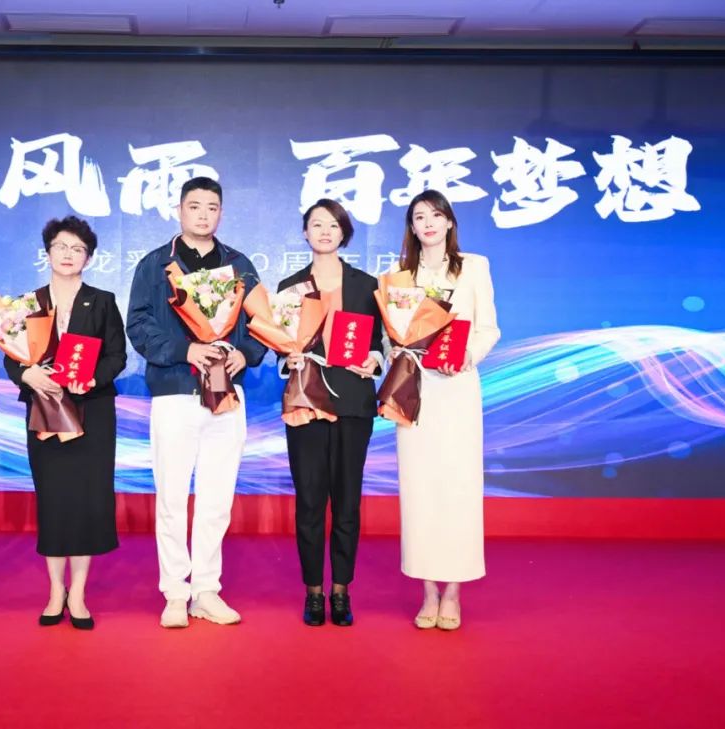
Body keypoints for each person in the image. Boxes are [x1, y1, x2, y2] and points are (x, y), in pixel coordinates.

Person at [126, 177, 267, 628]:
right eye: (195, 206)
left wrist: (246, 353)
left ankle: (206, 590)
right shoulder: (154, 264)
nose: (203, 214)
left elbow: (263, 322)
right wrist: (184, 350)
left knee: (216, 498)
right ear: (179, 210)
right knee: (171, 496)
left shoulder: (239, 265)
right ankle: (175, 592)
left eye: (211, 207)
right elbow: (138, 325)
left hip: (227, 395)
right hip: (175, 392)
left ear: (221, 213)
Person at [3, 216, 126, 631]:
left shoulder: (102, 301)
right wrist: (27, 375)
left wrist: (91, 378)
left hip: (92, 412)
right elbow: (11, 355)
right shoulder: (28, 303)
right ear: (48, 252)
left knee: (87, 500)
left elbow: (117, 356)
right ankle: (56, 590)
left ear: (88, 258)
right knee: (54, 500)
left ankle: (79, 594)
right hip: (45, 411)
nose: (68, 254)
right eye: (60, 247)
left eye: (77, 249)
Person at [393, 190, 500, 631]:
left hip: (457, 388)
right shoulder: (399, 276)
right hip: (415, 390)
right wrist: (396, 350)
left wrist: (467, 356)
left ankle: (453, 589)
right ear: (412, 227)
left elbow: (489, 328)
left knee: (458, 487)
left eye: (436, 215)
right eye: (420, 217)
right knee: (419, 488)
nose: (429, 223)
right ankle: (428, 590)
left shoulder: (474, 267)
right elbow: (391, 335)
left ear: (450, 222)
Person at [280, 199, 382, 627]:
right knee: (309, 500)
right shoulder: (291, 285)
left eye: (333, 225)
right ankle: (313, 592)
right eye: (316, 224)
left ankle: (341, 590)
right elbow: (281, 342)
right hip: (307, 400)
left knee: (346, 501)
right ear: (305, 232)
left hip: (353, 402)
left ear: (344, 233)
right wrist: (288, 359)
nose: (325, 231)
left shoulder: (367, 284)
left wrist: (375, 358)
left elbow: (378, 341)